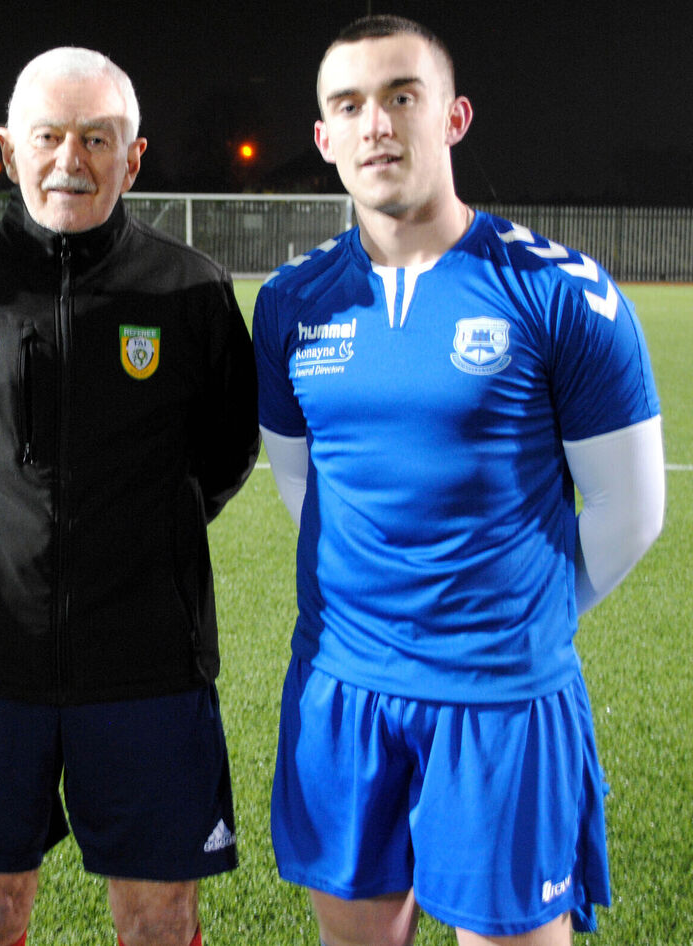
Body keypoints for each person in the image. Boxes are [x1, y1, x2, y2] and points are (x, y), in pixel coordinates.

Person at [254, 14, 665, 946]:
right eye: (348, 105)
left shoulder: (563, 292)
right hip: (344, 689)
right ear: (324, 137)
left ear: (453, 117)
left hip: (502, 700)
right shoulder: (291, 304)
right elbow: (302, 486)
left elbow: (632, 510)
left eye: (403, 96)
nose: (376, 125)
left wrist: (514, 621)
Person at [0, 46, 258, 946]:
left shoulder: (194, 292)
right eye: (49, 136)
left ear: (133, 158)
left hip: (147, 667)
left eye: (98, 138)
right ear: (9, 150)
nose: (71, 160)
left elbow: (223, 452)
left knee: (160, 915)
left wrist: (138, 535)